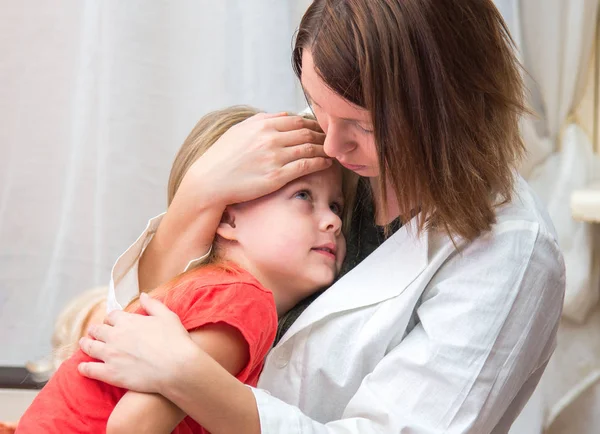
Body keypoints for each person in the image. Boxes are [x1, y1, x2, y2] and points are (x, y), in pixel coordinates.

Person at [78, 1, 566, 433]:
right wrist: (199, 194)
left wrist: (186, 375)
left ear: (448, 110)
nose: (331, 144)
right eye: (316, 103)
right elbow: (143, 322)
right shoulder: (318, 150)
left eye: (366, 125)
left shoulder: (511, 253)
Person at [16, 107, 348, 434]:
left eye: (336, 206)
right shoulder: (244, 301)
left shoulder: (206, 288)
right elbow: (133, 427)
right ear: (228, 219)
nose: (333, 221)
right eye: (304, 196)